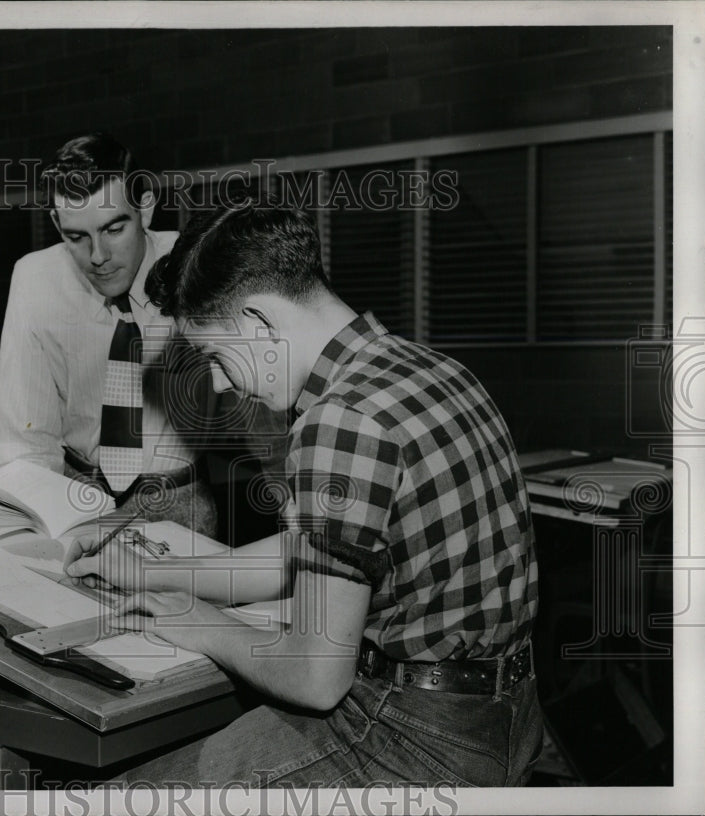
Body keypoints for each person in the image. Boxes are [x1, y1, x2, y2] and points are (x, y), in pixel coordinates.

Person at [66, 201, 543, 787]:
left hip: (415, 737)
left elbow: (315, 678)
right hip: (508, 713)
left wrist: (198, 622)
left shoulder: (337, 421)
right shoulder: (435, 370)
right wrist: (157, 572)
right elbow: (324, 556)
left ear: (261, 323)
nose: (217, 382)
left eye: (215, 355)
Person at [0, 132, 217, 537]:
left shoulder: (198, 266)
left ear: (145, 210)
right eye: (76, 237)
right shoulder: (35, 279)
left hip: (178, 501)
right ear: (56, 223)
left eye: (114, 229)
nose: (97, 256)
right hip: (74, 495)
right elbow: (24, 443)